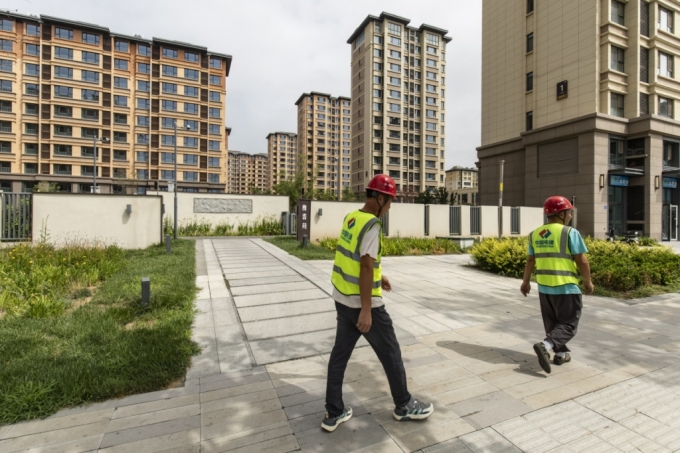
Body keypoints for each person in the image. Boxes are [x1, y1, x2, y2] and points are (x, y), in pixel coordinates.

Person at [321, 174, 434, 432]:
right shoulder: (372, 224)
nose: (391, 206)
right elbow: (363, 265)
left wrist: (378, 276)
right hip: (362, 305)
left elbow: (358, 258)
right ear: (380, 198)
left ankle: (334, 412)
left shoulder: (352, 218)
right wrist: (367, 310)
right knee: (391, 352)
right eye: (391, 201)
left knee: (339, 357)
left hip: (342, 299)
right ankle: (404, 405)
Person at [520, 196, 594, 374]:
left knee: (553, 324)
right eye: (569, 212)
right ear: (560, 214)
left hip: (545, 288)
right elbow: (581, 260)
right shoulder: (569, 232)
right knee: (568, 324)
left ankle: (561, 354)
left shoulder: (535, 234)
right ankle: (545, 345)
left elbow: (531, 259)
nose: (570, 215)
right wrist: (587, 281)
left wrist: (525, 281)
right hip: (566, 287)